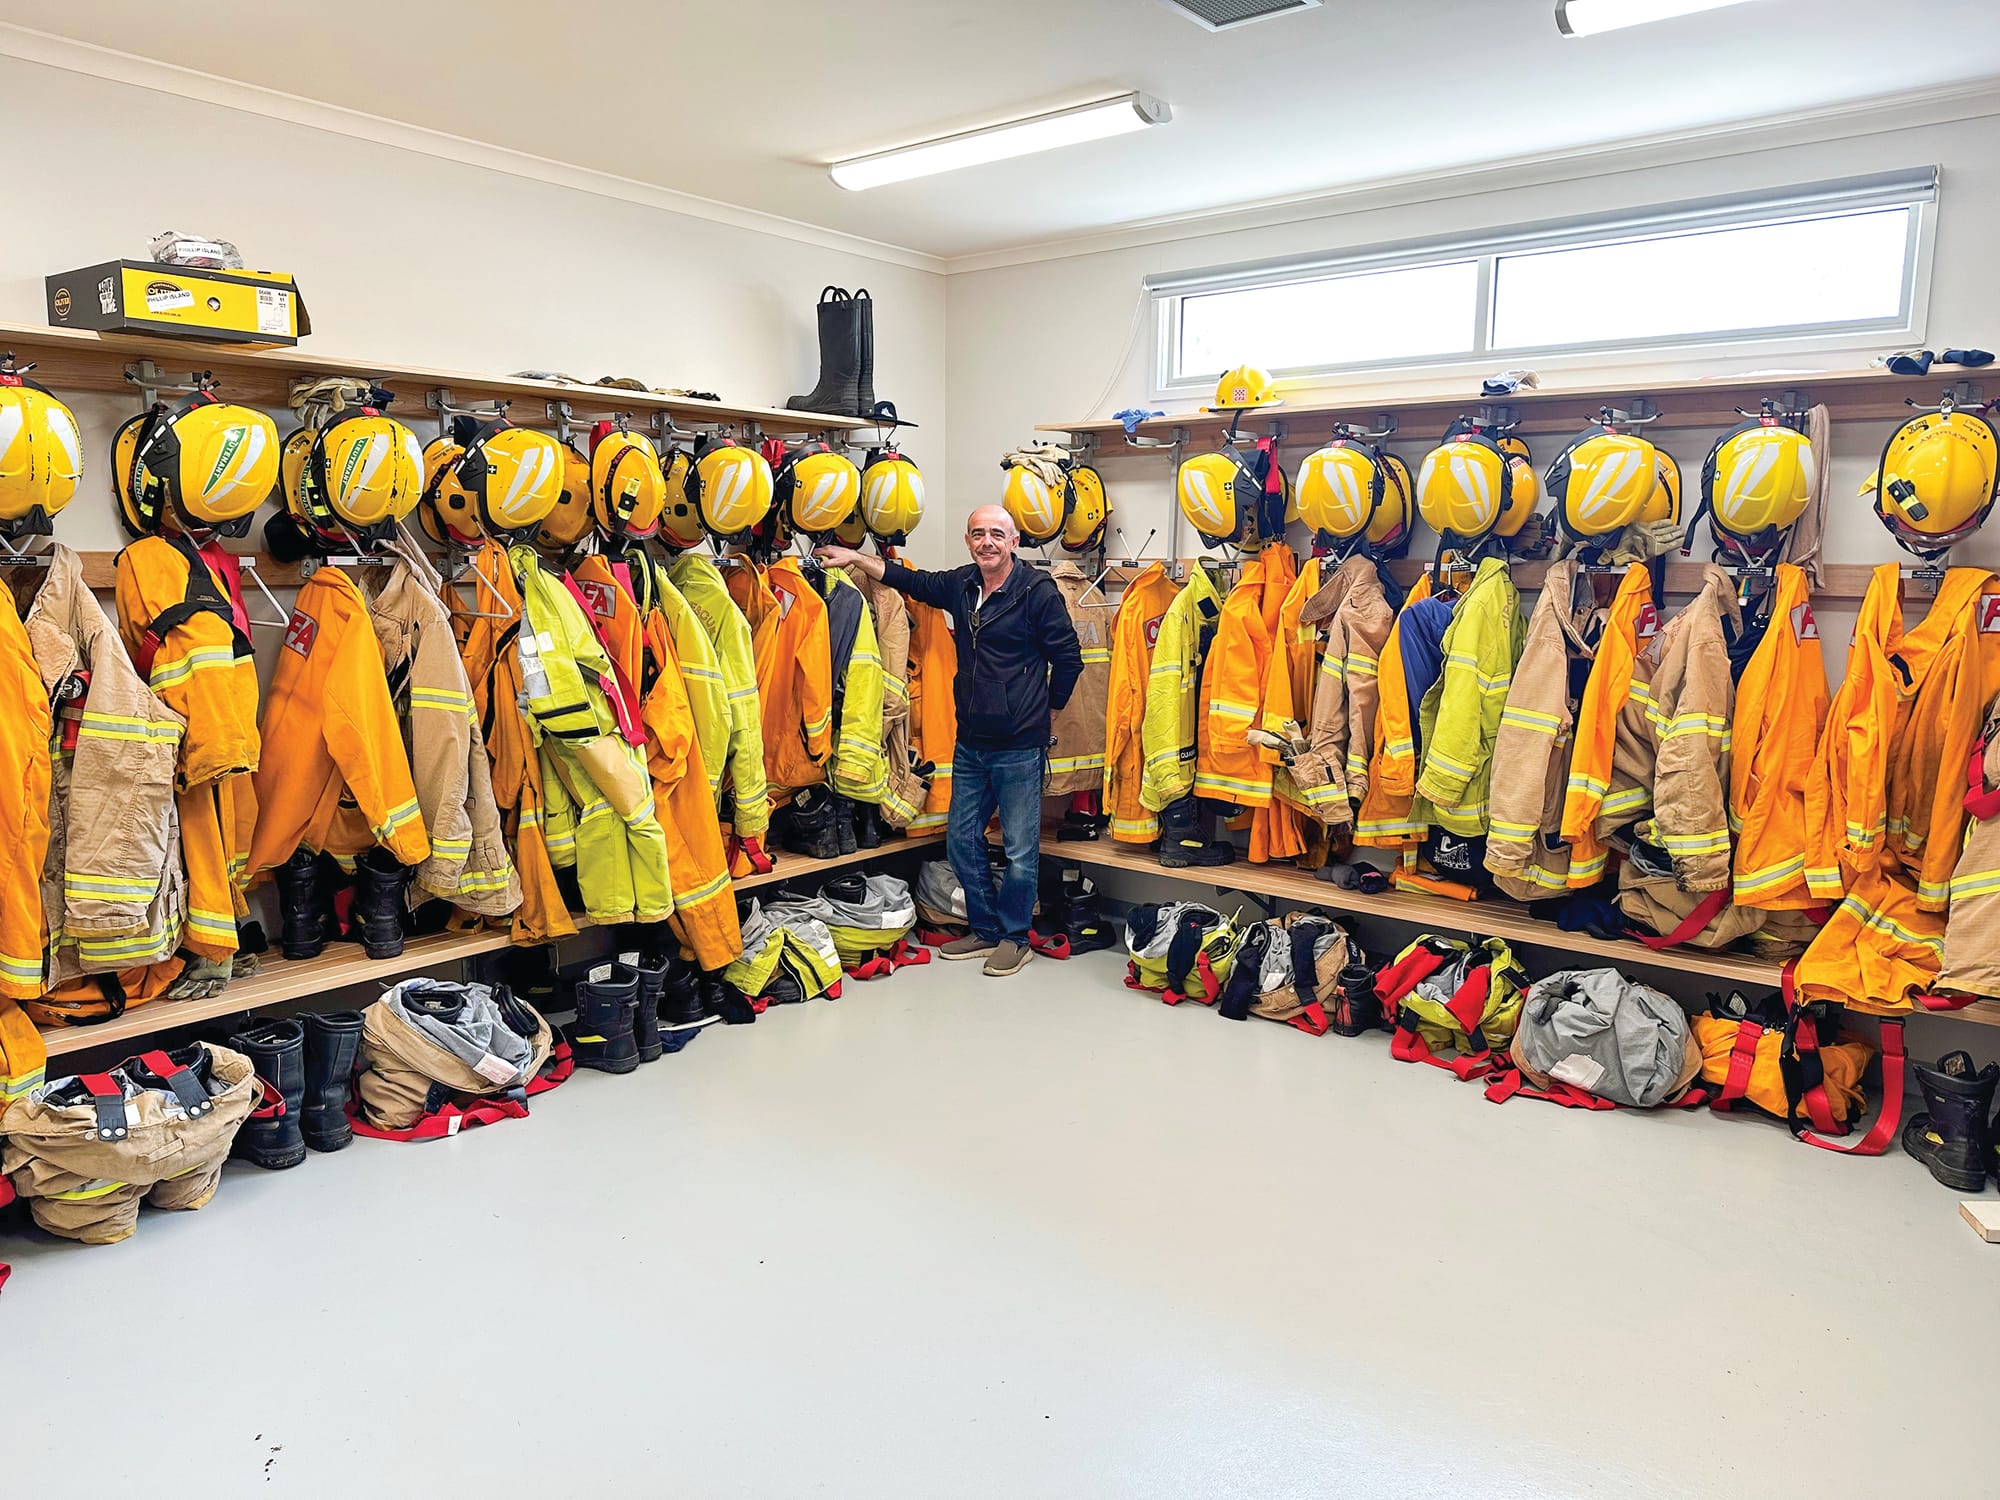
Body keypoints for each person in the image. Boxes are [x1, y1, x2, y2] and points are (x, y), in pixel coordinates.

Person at [816, 506, 1083, 977]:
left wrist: (1048, 713)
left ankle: (1015, 937)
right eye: (978, 534)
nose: (987, 542)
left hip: (1020, 745)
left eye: (996, 535)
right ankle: (984, 928)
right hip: (972, 741)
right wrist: (855, 558)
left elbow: (1068, 659)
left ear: (1014, 541)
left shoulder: (1037, 592)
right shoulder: (963, 584)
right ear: (968, 540)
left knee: (1021, 849)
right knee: (961, 839)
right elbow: (910, 581)